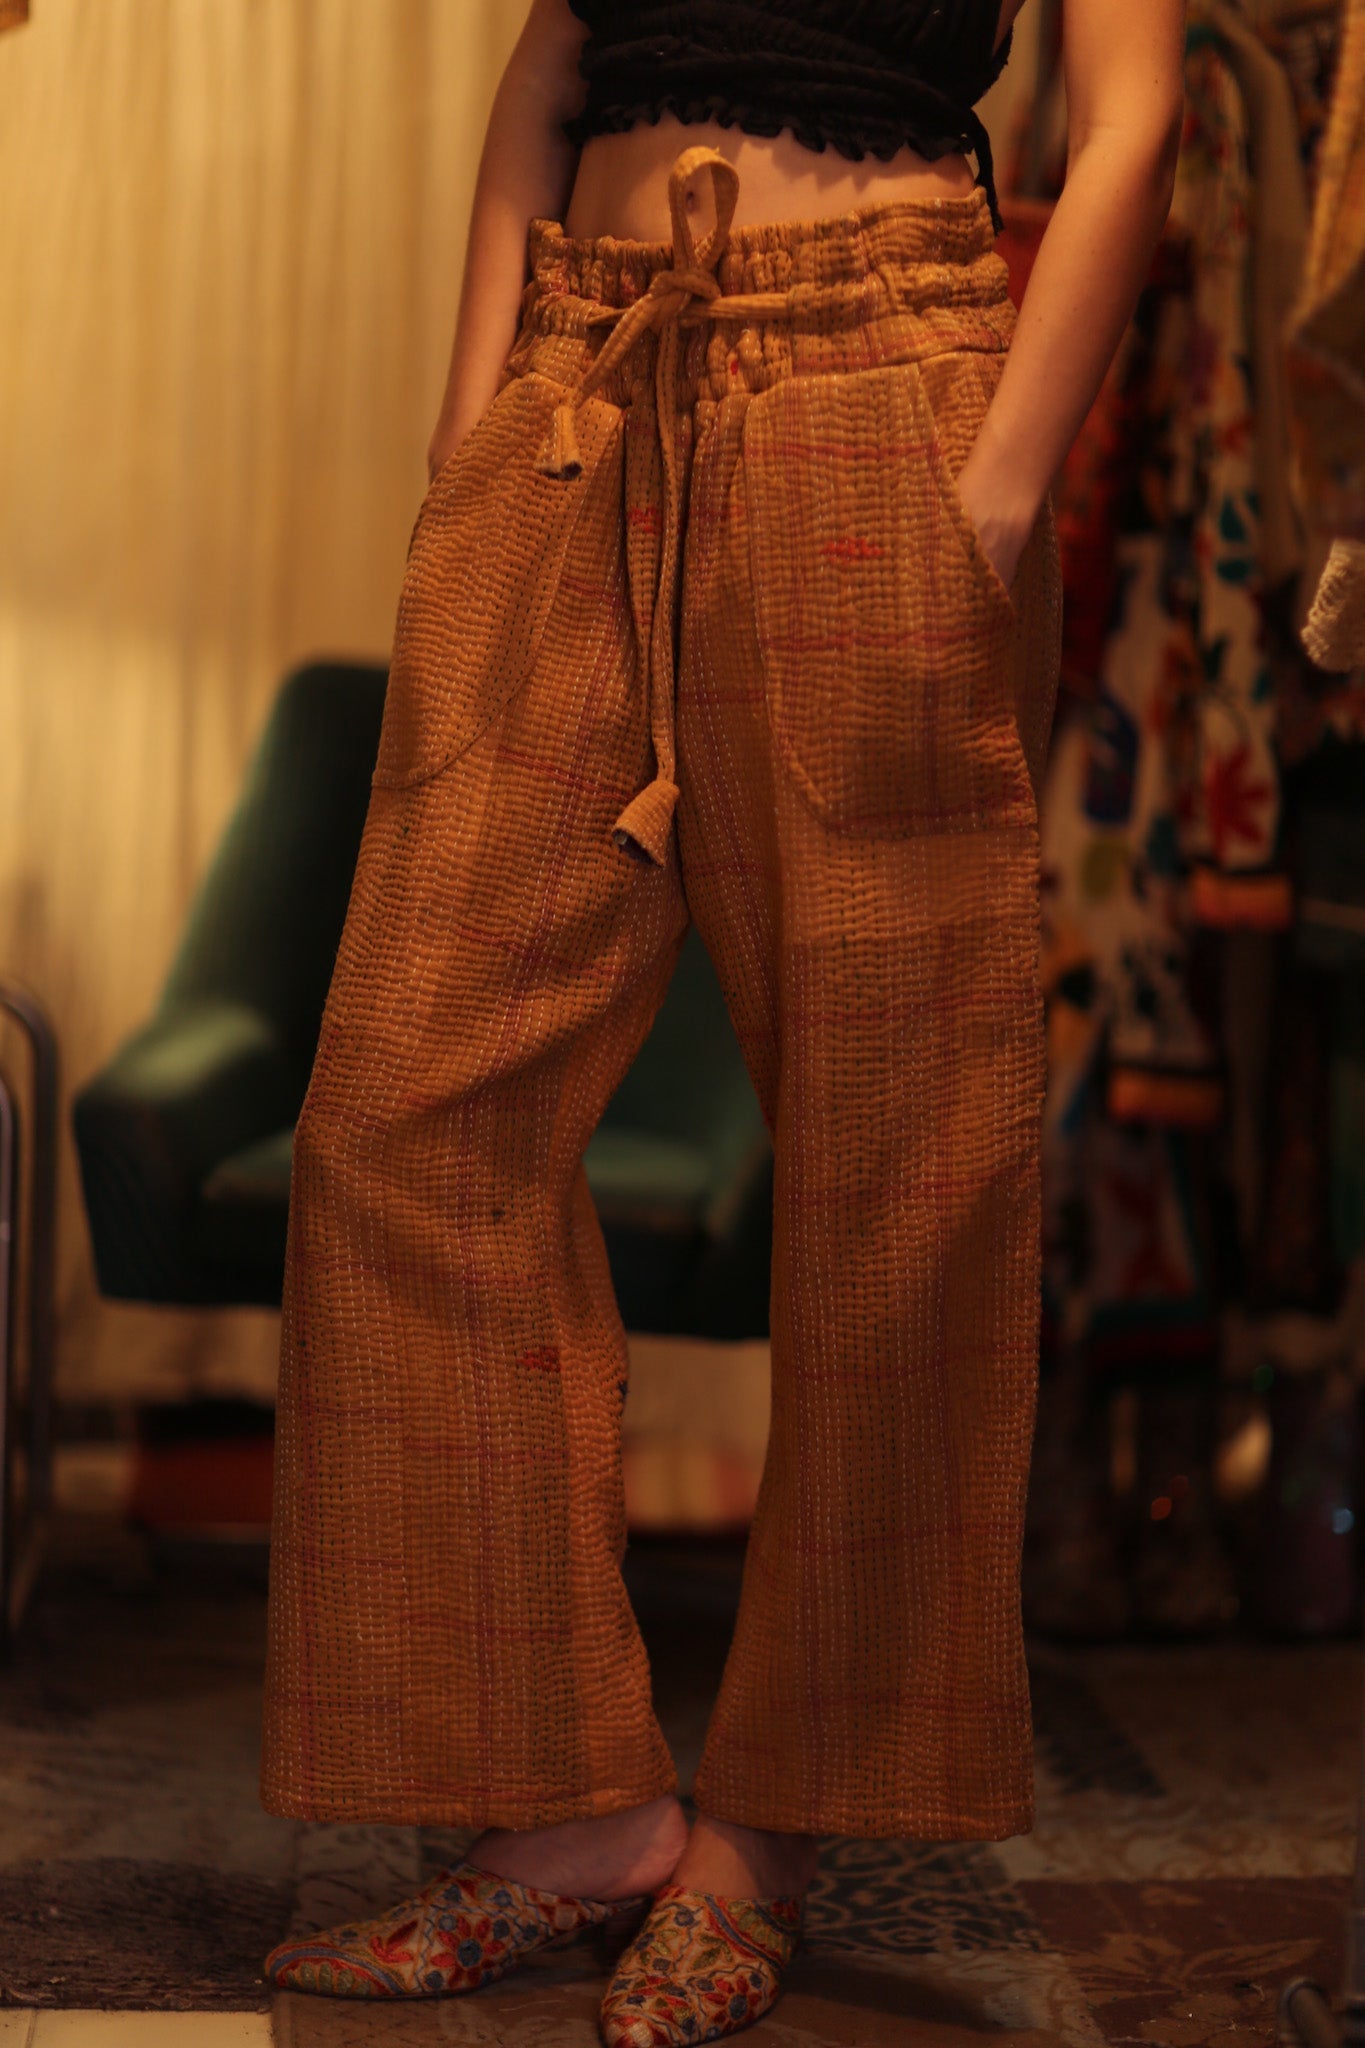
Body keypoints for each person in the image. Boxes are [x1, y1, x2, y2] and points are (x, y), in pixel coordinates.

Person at [260, 0, 1185, 2039]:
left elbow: (1132, 116)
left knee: (897, 1161)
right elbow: (546, 67)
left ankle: (771, 1832)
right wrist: (467, 435)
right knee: (401, 1111)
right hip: (582, 384)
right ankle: (564, 1810)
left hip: (885, 395)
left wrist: (995, 495)